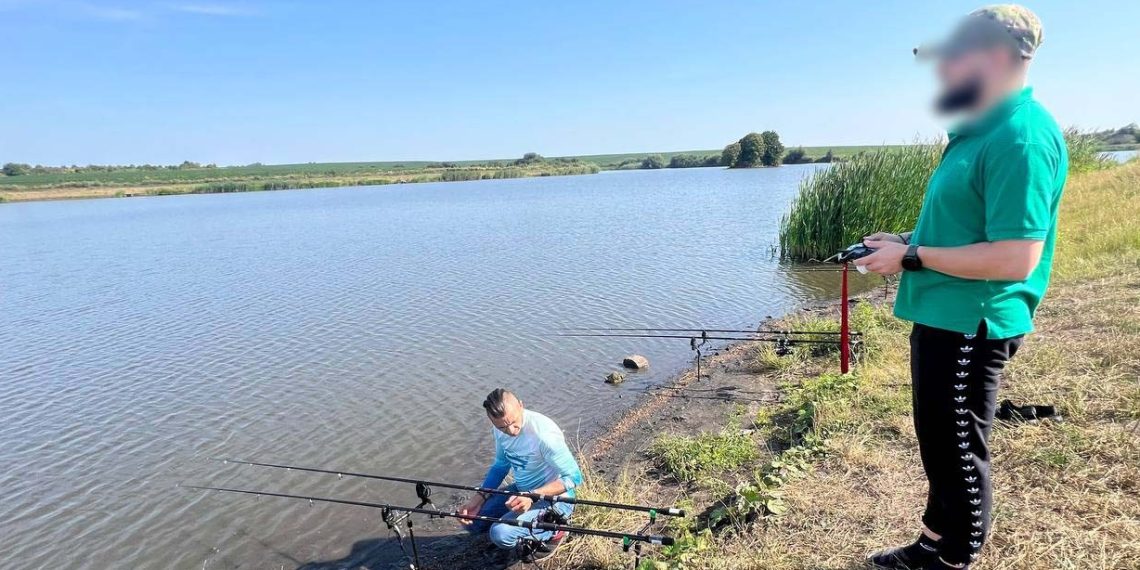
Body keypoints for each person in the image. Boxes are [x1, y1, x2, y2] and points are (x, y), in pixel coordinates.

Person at [855, 5, 1066, 570]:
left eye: (955, 58)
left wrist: (914, 257)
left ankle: (957, 557)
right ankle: (933, 540)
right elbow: (969, 225)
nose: (944, 71)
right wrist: (902, 241)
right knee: (939, 440)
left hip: (974, 317)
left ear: (996, 56)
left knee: (958, 450)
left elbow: (1015, 256)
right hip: (944, 310)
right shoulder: (981, 129)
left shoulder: (1020, 137)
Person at [458, 388, 583, 560]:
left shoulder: (544, 435)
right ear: (492, 421)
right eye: (502, 426)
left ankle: (556, 531)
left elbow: (574, 477)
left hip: (556, 498)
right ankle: (521, 526)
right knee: (473, 522)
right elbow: (500, 466)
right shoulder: (499, 431)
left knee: (500, 534)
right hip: (522, 490)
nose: (511, 430)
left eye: (514, 422)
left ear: (521, 406)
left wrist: (532, 496)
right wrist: (478, 499)